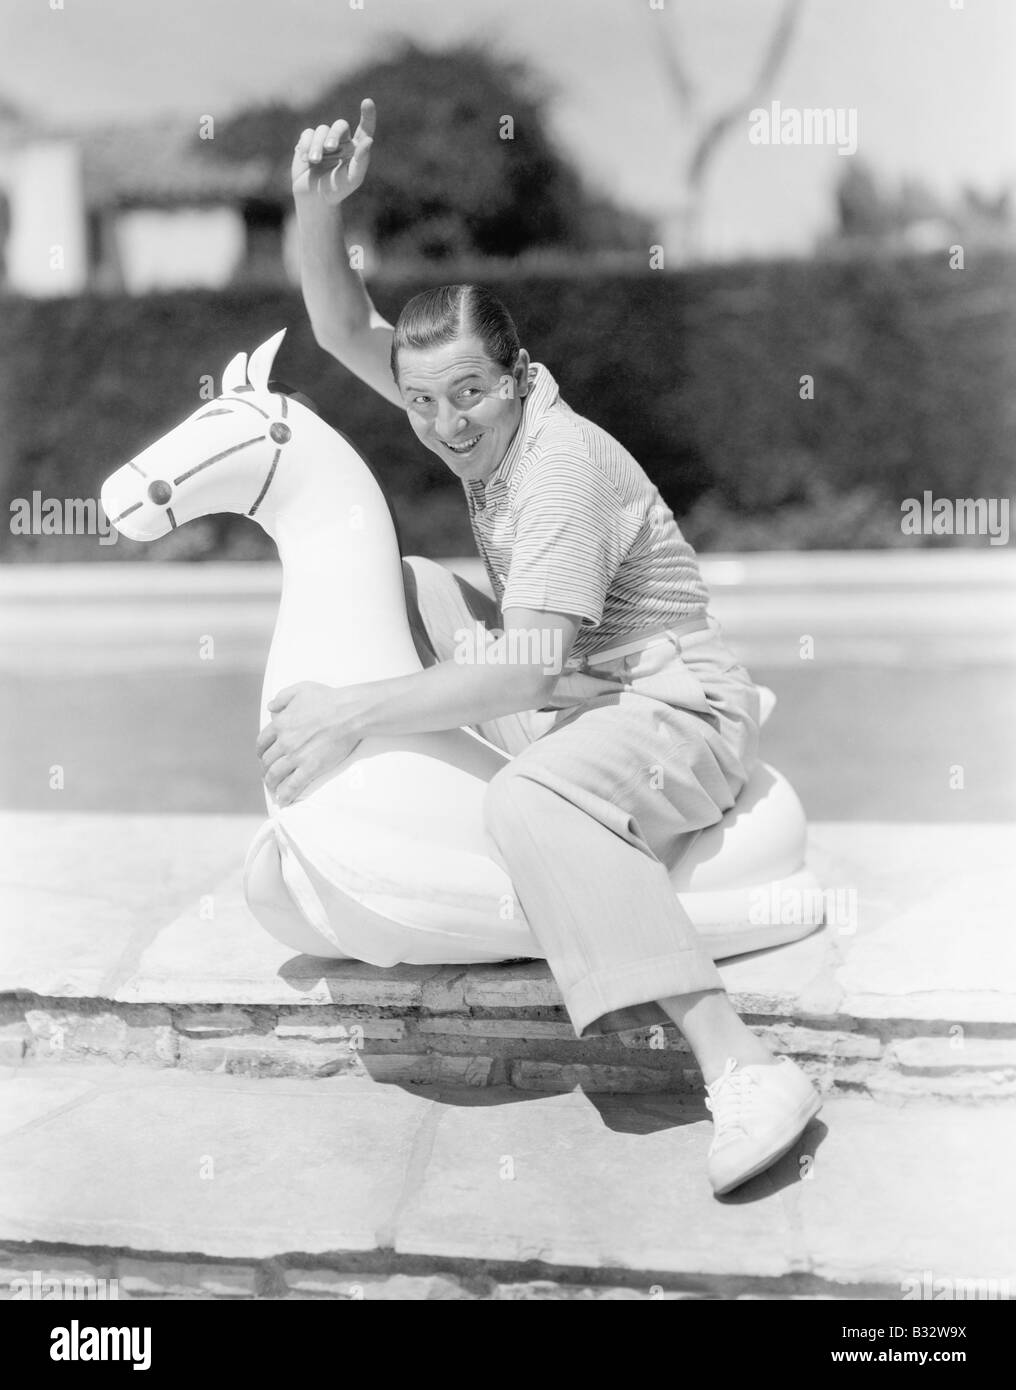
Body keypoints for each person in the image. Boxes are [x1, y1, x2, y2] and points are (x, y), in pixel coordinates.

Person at [257, 99, 822, 1196]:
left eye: (468, 392)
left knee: (522, 804)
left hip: (673, 706)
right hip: (584, 690)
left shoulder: (558, 466)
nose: (445, 422)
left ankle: (743, 1065)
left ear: (515, 379)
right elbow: (335, 326)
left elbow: (519, 669)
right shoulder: (477, 428)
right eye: (422, 400)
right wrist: (314, 207)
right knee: (411, 586)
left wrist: (351, 710)